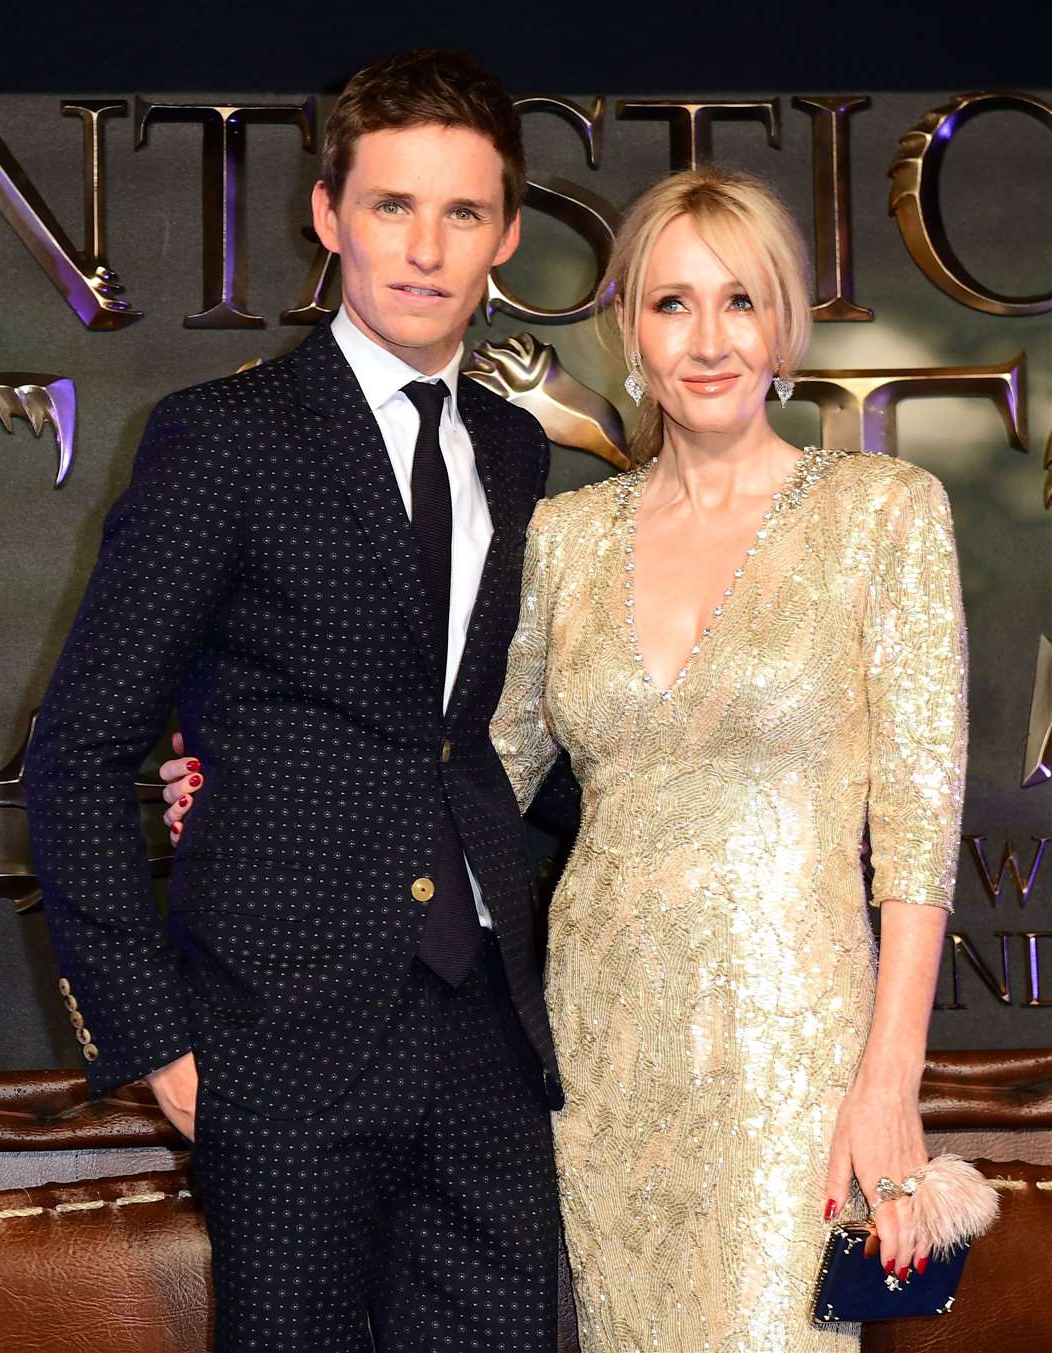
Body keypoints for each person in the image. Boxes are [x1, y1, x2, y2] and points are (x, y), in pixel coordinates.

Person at [168, 166, 967, 1352]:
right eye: (673, 304)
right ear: (629, 329)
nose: (708, 340)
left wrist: (888, 1078)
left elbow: (918, 818)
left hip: (791, 1042)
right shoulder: (566, 539)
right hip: (596, 1039)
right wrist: (252, 780)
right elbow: (454, 765)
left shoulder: (883, 514)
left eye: (742, 302)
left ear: (787, 324)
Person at [26, 48, 579, 1353]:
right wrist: (157, 1042)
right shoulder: (224, 440)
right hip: (280, 1049)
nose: (425, 248)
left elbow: (490, 745)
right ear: (327, 216)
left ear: (505, 235)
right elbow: (85, 749)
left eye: (461, 213)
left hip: (488, 1048)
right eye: (392, 205)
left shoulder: (516, 449)